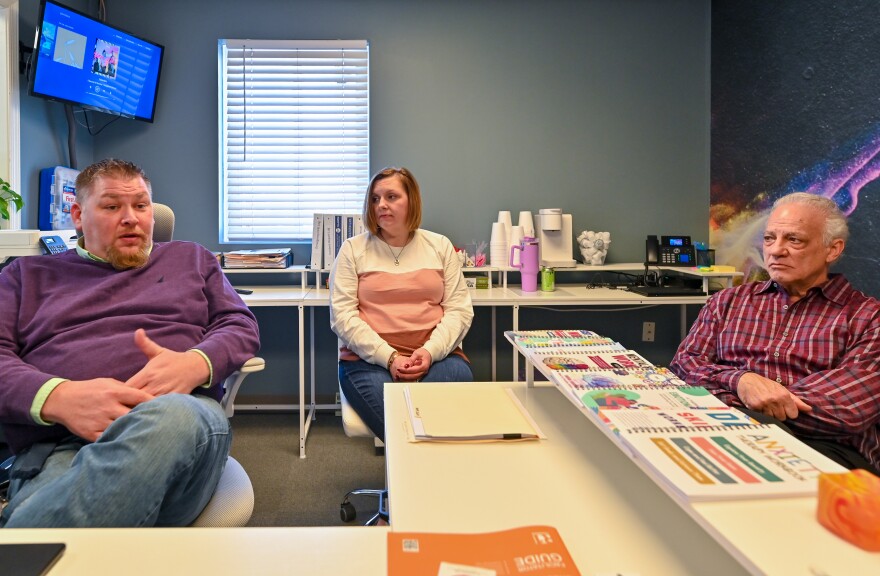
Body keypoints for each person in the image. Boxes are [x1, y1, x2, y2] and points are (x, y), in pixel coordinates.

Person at [0, 159, 260, 527]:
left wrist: (196, 362)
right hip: (63, 441)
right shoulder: (26, 275)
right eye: (111, 207)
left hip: (179, 425)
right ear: (78, 216)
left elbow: (239, 324)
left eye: (141, 205)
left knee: (174, 416)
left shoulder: (191, 259)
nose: (130, 218)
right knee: (40, 517)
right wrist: (58, 396)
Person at [670, 192, 880, 473]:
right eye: (770, 238)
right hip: (724, 429)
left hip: (824, 449)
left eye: (794, 240)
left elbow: (843, 411)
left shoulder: (868, 318)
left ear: (832, 249)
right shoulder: (728, 301)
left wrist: (736, 400)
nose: (776, 250)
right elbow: (684, 367)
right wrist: (741, 380)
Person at [329, 167, 474, 440]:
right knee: (403, 428)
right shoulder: (353, 249)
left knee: (432, 422)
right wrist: (390, 357)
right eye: (375, 199)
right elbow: (342, 317)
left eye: (391, 196)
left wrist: (429, 351)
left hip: (439, 358)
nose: (381, 205)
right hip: (368, 362)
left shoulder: (439, 246)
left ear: (412, 200)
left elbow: (459, 311)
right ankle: (420, 468)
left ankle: (417, 467)